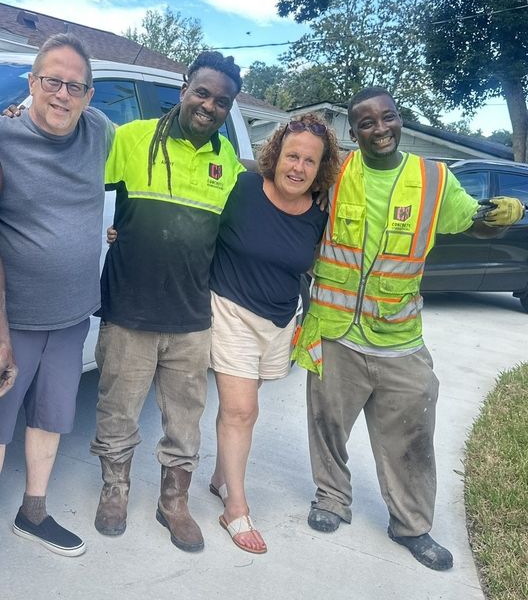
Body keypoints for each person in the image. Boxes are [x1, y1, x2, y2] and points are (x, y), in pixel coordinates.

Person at [293, 86, 525, 571]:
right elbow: (284, 188)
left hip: (400, 336)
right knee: (328, 425)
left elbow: (473, 224)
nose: (380, 129)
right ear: (353, 132)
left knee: (412, 434)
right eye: (367, 123)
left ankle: (412, 526)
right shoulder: (335, 171)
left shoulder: (435, 179)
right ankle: (331, 499)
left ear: (399, 119)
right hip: (334, 331)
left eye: (388, 118)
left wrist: (503, 216)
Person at [91, 52, 245, 553]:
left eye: (222, 101)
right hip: (128, 310)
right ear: (184, 88)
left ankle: (173, 502)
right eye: (202, 92)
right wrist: (16, 122)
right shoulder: (131, 139)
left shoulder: (230, 168)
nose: (209, 105)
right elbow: (73, 172)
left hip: (190, 317)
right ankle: (115, 490)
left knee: (184, 420)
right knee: (117, 411)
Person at [0, 34, 114, 557]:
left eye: (75, 85)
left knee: (51, 416)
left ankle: (34, 512)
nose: (62, 94)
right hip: (13, 321)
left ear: (90, 96)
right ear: (32, 83)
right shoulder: (3, 141)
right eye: (52, 81)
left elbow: (163, 146)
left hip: (71, 318)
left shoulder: (100, 133)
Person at [208, 114, 341, 553]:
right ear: (275, 154)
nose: (298, 168)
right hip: (230, 308)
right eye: (292, 156)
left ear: (320, 169)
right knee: (242, 410)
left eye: (309, 161)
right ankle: (236, 507)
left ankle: (221, 476)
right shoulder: (242, 187)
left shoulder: (319, 211)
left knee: (241, 406)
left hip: (280, 319)